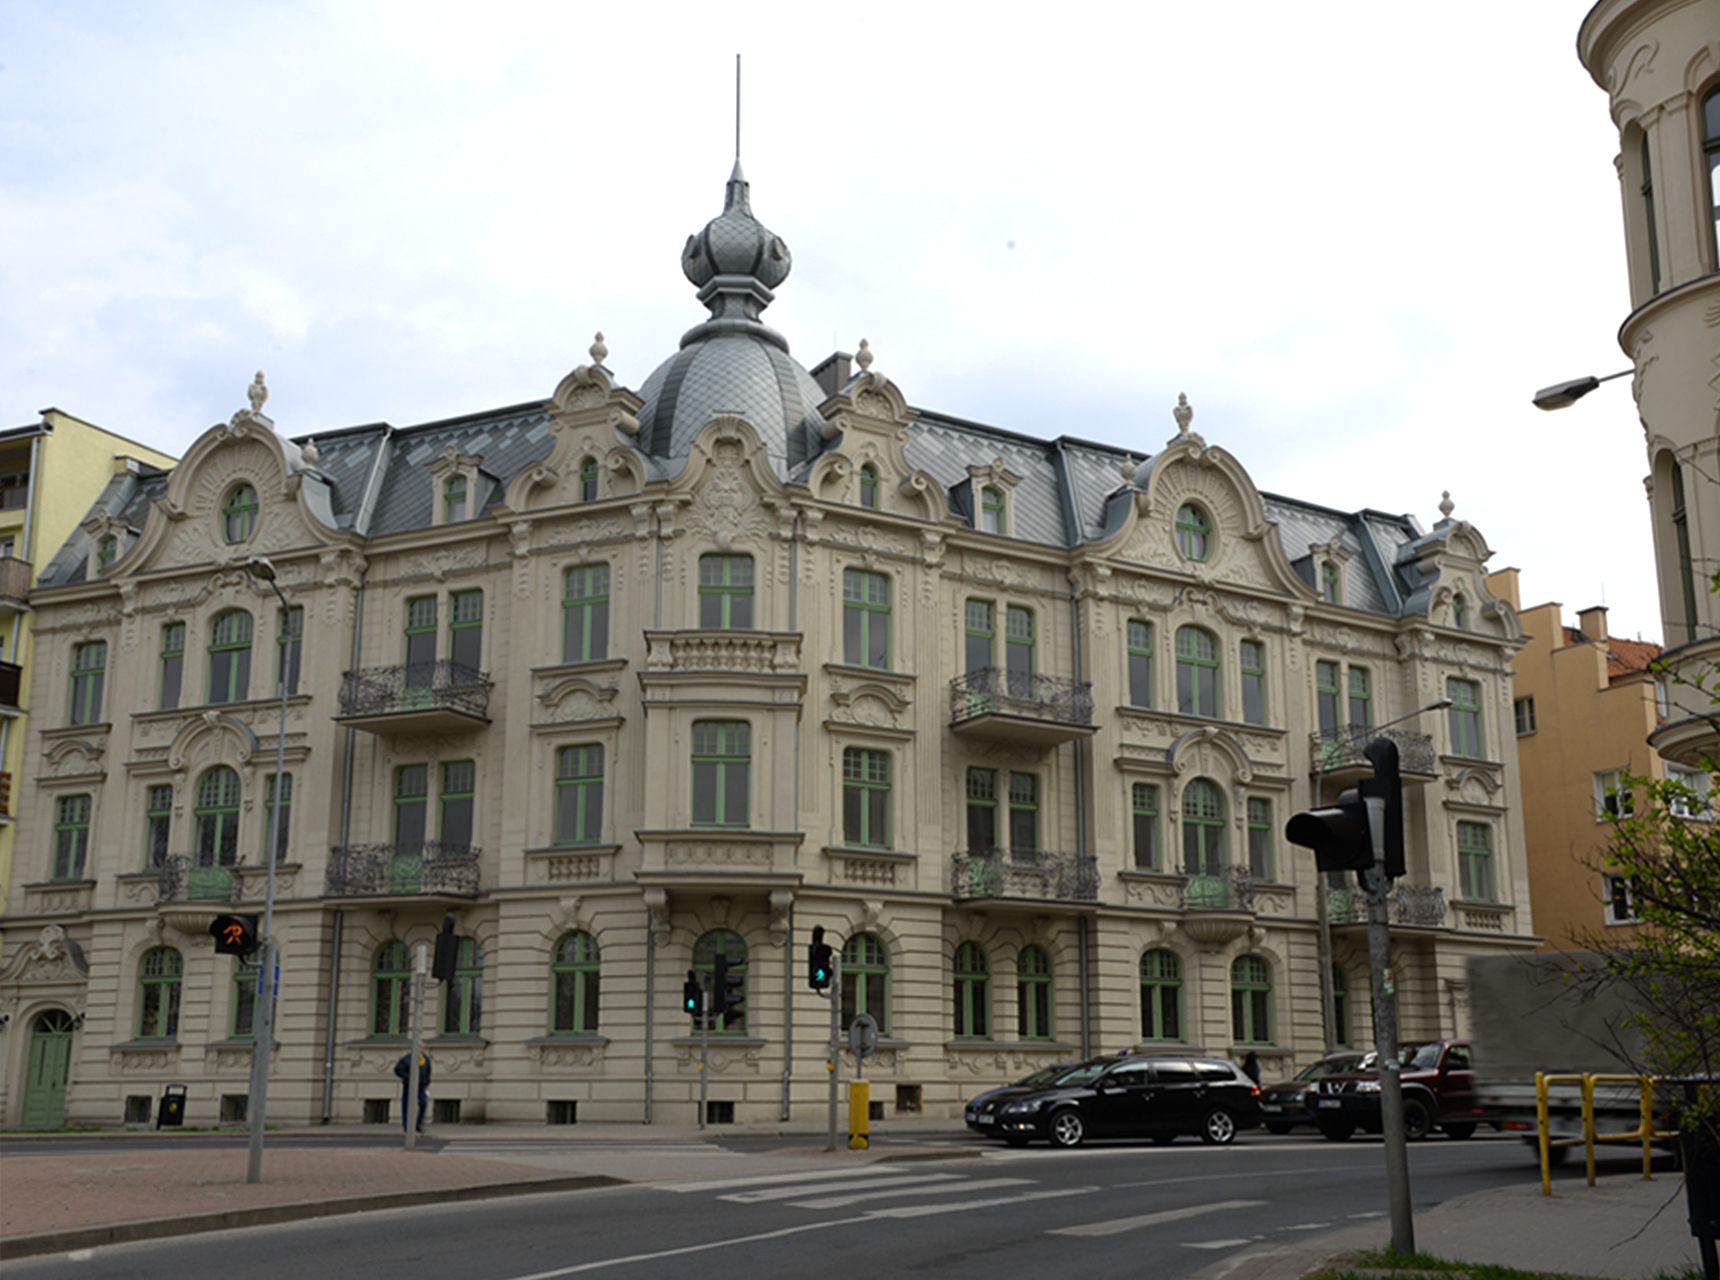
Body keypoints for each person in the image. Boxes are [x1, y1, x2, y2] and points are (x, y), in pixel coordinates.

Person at [394, 1050, 432, 1133]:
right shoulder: (408, 1058)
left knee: (423, 1103)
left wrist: (427, 1082)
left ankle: (418, 1124)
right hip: (409, 1085)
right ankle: (407, 1126)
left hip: (421, 1085)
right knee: (407, 1105)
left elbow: (428, 1072)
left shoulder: (425, 1059)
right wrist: (408, 1077)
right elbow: (398, 1070)